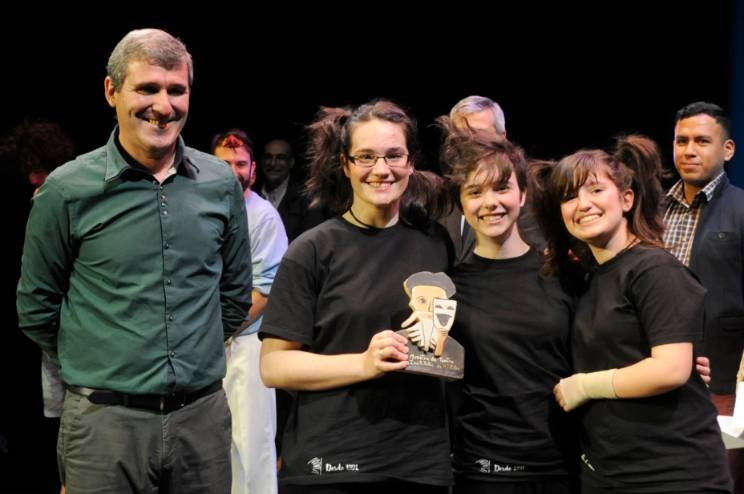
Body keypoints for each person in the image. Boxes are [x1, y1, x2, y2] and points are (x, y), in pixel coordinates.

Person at [16, 28, 252, 493]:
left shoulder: (220, 183)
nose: (163, 106)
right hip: (104, 425)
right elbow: (36, 308)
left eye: (176, 90)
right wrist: (105, 361)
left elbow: (234, 295)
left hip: (201, 422)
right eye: (147, 88)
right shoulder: (66, 190)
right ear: (111, 91)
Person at [259, 99, 453, 493]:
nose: (381, 169)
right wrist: (363, 363)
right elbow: (274, 367)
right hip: (334, 464)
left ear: (411, 162)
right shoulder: (313, 250)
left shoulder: (435, 242)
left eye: (393, 155)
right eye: (365, 157)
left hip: (418, 464)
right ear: (345, 165)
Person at [532, 135, 731, 493]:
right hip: (609, 471)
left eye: (595, 190)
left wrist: (585, 385)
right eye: (569, 196)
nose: (583, 204)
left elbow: (670, 369)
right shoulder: (587, 276)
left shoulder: (654, 269)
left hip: (670, 474)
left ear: (626, 199)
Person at [439, 123, 577, 493]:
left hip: (561, 464)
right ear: (462, 204)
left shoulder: (563, 274)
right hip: (483, 469)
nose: (490, 203)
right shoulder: (448, 289)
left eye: (501, 188)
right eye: (475, 192)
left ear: (523, 194)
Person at [665, 101, 744, 493]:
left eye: (701, 141)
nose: (689, 150)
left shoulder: (741, 209)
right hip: (658, 374)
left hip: (722, 382)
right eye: (681, 141)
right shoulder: (652, 210)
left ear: (727, 150)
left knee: (714, 482)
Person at [212, 129, 288, 494]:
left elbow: (265, 291)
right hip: (210, 345)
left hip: (245, 343)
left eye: (240, 163)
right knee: (218, 444)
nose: (233, 171)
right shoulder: (204, 211)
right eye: (224, 163)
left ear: (253, 171)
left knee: (251, 443)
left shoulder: (263, 216)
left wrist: (217, 333)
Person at [444, 95, 544, 261]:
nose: (469, 145)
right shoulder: (444, 194)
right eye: (461, 138)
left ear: (502, 137)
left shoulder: (535, 188)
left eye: (479, 135)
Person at [257, 138, 326, 242]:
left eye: (280, 158)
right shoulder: (251, 194)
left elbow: (313, 241)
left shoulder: (306, 199)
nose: (273, 163)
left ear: (291, 163)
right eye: (268, 157)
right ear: (261, 161)